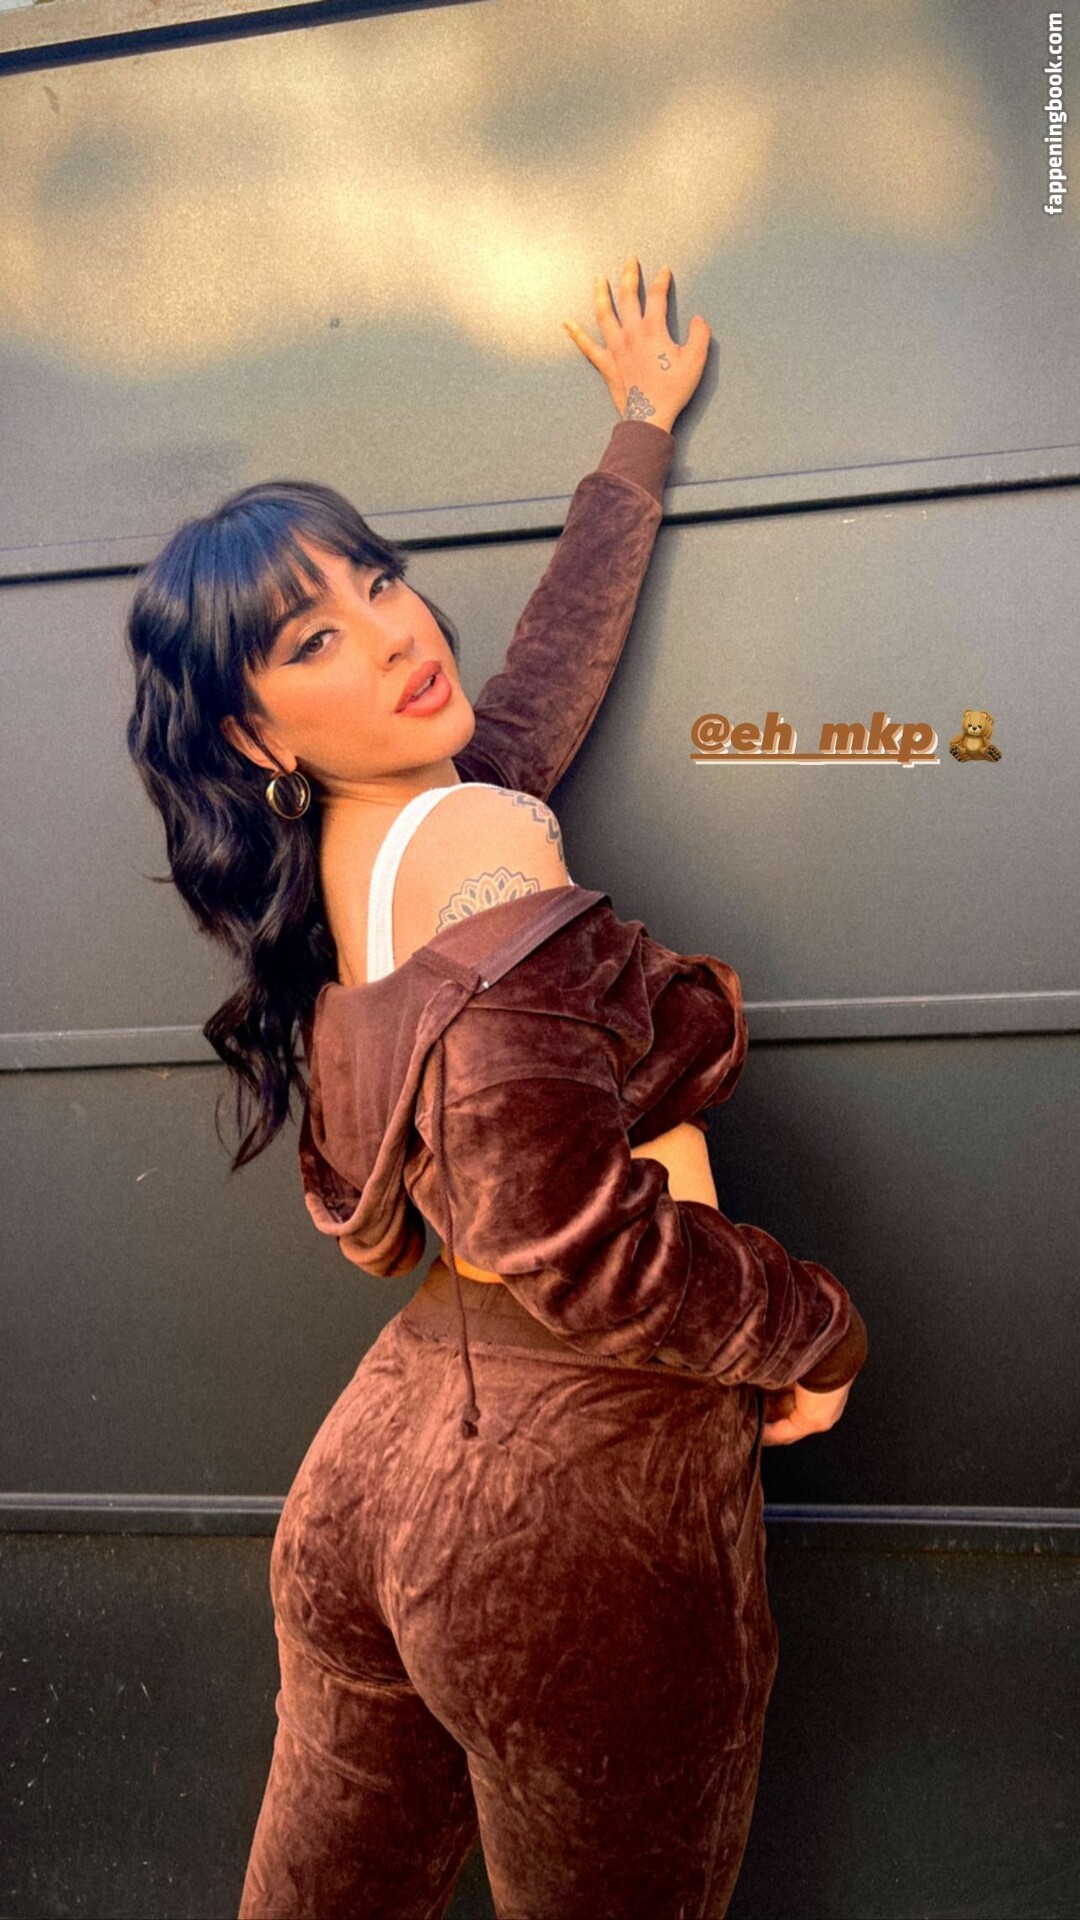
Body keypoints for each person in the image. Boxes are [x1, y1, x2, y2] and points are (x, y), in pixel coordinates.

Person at [125, 254, 868, 1920]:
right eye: (318, 635)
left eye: (379, 580)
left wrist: (636, 437)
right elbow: (579, 1243)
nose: (398, 630)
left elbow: (533, 691)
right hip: (573, 1508)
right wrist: (814, 1327)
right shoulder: (471, 841)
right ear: (253, 735)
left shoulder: (373, 847)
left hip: (376, 1475)